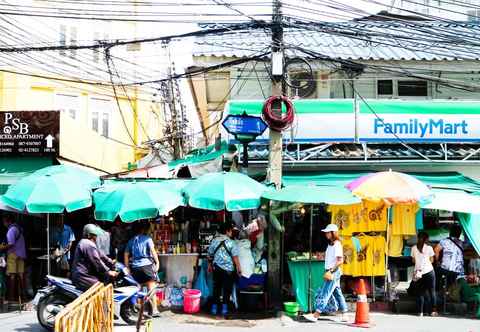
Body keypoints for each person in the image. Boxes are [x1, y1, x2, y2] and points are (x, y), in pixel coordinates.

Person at [306, 224, 347, 322]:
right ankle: (345, 313)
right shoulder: (331, 244)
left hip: (333, 272)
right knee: (337, 293)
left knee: (325, 292)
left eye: (328, 232)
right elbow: (331, 258)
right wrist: (322, 256)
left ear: (333, 233)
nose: (326, 234)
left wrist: (330, 271)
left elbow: (340, 261)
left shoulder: (337, 244)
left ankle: (316, 315)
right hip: (332, 271)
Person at [124, 222, 160, 317]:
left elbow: (126, 254)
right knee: (151, 287)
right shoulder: (147, 239)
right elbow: (153, 252)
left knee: (137, 288)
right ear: (143, 230)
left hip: (135, 267)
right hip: (146, 266)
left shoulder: (131, 241)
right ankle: (154, 310)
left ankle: (137, 309)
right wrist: (157, 263)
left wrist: (127, 267)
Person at [207, 221, 241, 316]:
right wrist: (239, 269)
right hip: (228, 270)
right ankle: (224, 309)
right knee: (226, 289)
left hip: (217, 268)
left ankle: (214, 308)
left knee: (216, 288)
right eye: (231, 231)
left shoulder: (214, 241)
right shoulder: (231, 243)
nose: (231, 233)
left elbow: (209, 255)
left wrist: (209, 266)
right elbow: (235, 258)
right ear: (227, 231)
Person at [71, 224, 117, 291]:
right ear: (89, 235)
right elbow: (96, 261)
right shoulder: (88, 244)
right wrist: (108, 271)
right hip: (83, 276)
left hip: (83, 275)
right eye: (95, 235)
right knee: (100, 288)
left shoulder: (87, 243)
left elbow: (100, 254)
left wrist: (110, 261)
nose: (96, 237)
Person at [0, 215, 26, 302]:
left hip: (13, 254)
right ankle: (23, 296)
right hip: (21, 254)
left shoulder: (11, 230)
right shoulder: (19, 228)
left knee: (12, 275)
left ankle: (11, 297)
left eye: (4, 221)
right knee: (21, 275)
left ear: (8, 221)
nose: (4, 224)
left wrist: (2, 247)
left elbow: (11, 243)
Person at [411, 232, 437, 317]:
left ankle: (420, 312)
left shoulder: (413, 248)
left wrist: (419, 262)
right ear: (426, 239)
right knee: (432, 292)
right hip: (429, 271)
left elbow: (413, 261)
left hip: (419, 273)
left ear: (418, 238)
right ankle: (433, 311)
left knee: (420, 293)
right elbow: (432, 260)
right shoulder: (429, 248)